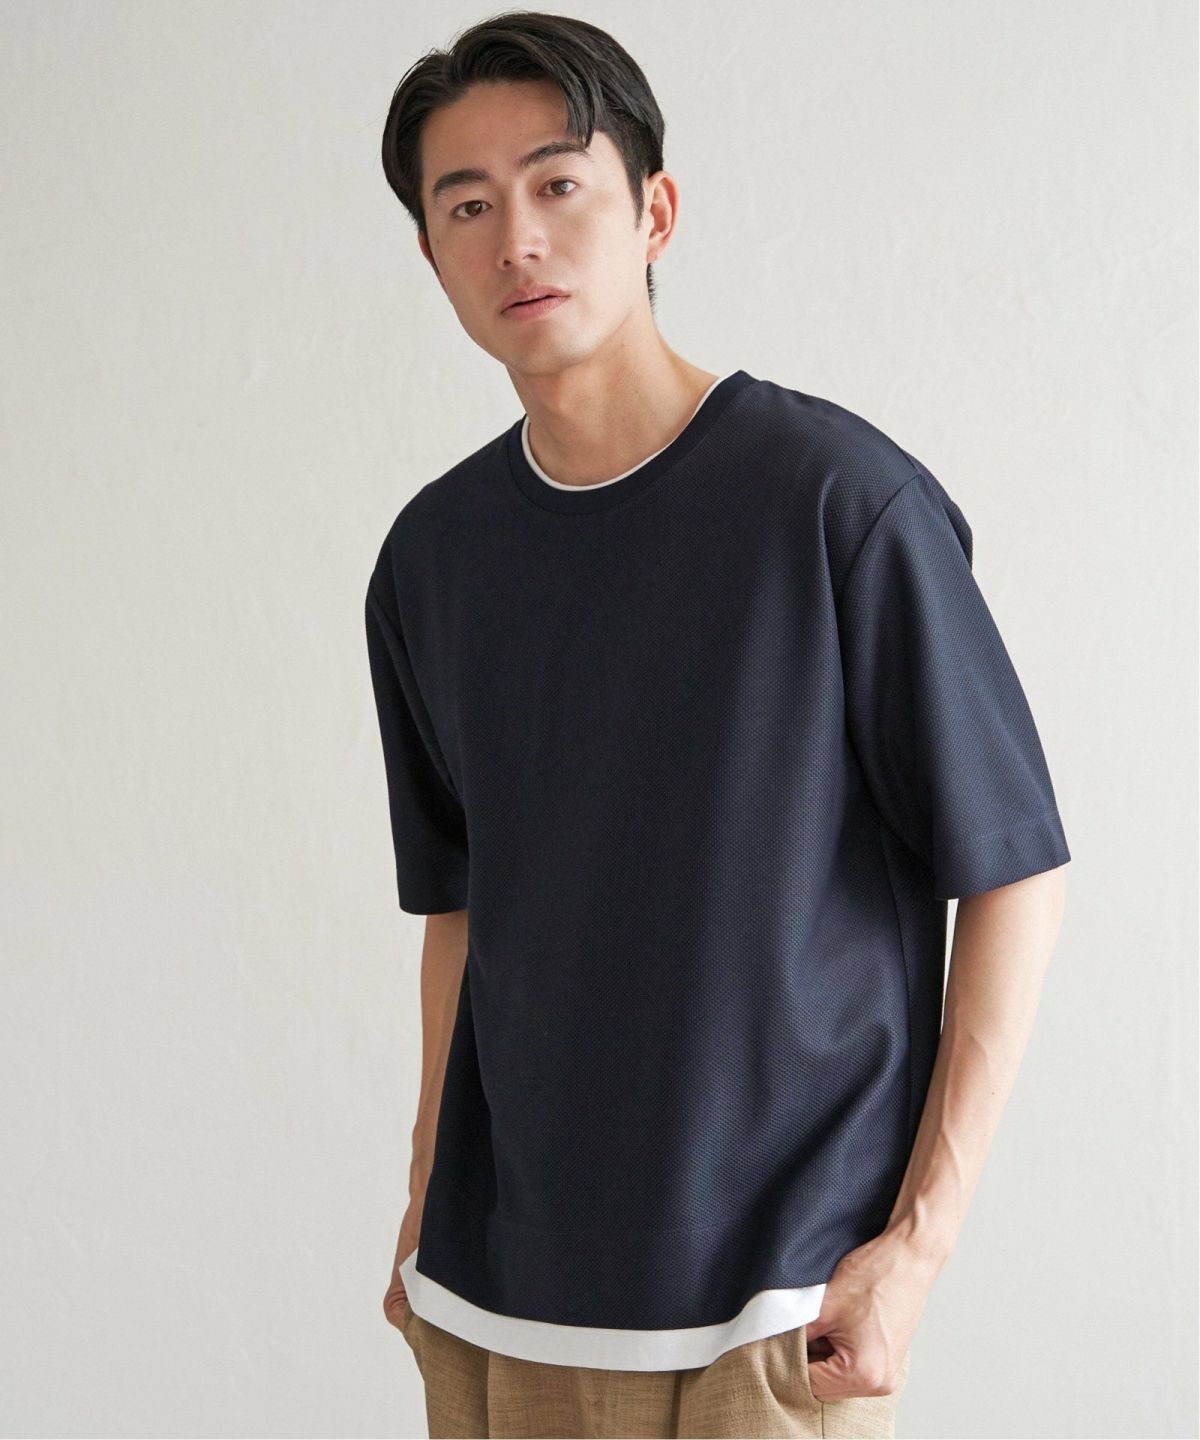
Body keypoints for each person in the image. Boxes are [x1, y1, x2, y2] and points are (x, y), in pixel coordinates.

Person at [364, 12, 1071, 1438]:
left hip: (778, 1306)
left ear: (655, 212)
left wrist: (917, 1247)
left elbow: (1013, 871)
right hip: (501, 1294)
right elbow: (461, 908)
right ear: (432, 255)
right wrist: (426, 1188)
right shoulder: (432, 560)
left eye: (560, 184)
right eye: (468, 205)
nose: (519, 239)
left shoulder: (835, 502)